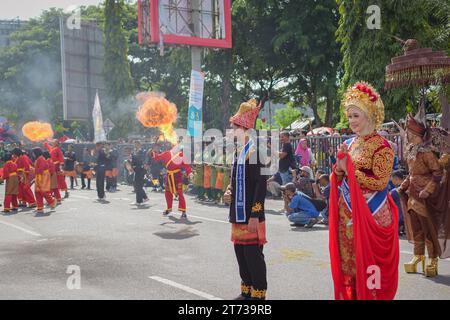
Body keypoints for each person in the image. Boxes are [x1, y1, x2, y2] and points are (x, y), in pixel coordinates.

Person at [329, 81, 399, 300]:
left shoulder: (383, 146)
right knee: (350, 265)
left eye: (355, 116)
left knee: (371, 267)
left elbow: (380, 182)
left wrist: (347, 169)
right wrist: (339, 169)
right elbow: (339, 175)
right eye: (349, 116)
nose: (351, 121)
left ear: (369, 114)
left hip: (372, 213)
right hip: (348, 213)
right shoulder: (350, 143)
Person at [223, 98, 268, 300]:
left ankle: (258, 293)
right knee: (240, 253)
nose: (232, 132)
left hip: (251, 214)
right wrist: (228, 191)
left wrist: (255, 215)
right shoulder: (238, 153)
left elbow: (260, 186)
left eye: (234, 128)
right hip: (237, 212)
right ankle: (247, 289)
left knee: (253, 255)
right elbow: (235, 181)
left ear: (245, 129)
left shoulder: (256, 152)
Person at [399, 111, 450, 277]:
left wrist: (427, 190)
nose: (407, 135)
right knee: (417, 229)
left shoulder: (427, 152)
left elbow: (437, 173)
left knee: (428, 230)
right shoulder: (412, 151)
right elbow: (411, 173)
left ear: (417, 133)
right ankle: (417, 257)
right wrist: (404, 185)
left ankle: (432, 259)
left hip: (425, 197)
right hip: (413, 194)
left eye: (410, 132)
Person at [151, 144, 192, 218]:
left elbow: (186, 165)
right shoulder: (167, 153)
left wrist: (189, 173)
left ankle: (183, 211)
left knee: (180, 193)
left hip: (177, 176)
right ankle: (169, 209)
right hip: (169, 176)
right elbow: (157, 157)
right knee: (167, 193)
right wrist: (153, 152)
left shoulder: (181, 155)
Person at [32, 147, 56, 214]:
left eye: (33, 153)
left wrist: (34, 171)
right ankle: (40, 207)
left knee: (43, 191)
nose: (33, 154)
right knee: (37, 192)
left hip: (43, 176)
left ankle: (52, 202)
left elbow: (41, 169)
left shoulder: (41, 159)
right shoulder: (39, 159)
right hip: (39, 176)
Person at [131, 141, 149, 206]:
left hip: (142, 170)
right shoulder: (134, 152)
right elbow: (133, 161)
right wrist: (132, 167)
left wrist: (144, 166)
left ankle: (139, 201)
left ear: (140, 144)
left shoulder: (143, 151)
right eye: (135, 144)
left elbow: (144, 160)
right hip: (136, 170)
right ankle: (145, 197)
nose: (135, 145)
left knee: (139, 185)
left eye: (137, 144)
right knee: (137, 185)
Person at [390, 170, 405, 236]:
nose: (392, 182)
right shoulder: (408, 187)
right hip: (407, 218)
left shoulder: (394, 191)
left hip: (398, 218)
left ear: (396, 179)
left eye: (392, 180)